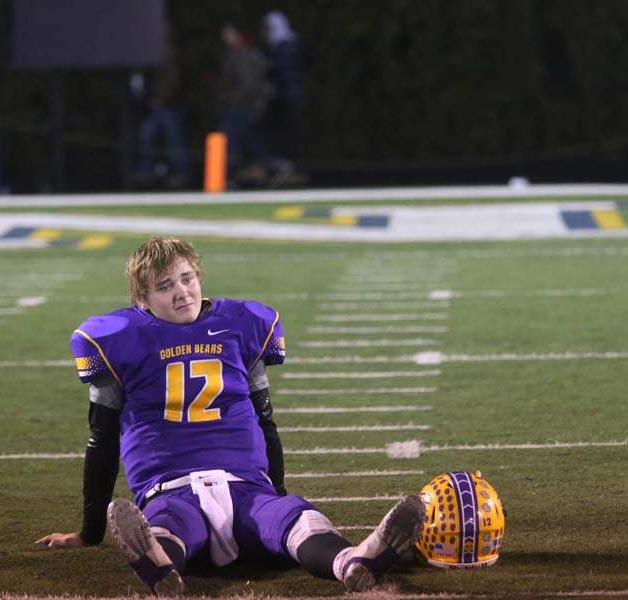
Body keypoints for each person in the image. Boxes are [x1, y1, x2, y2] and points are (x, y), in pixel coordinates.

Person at [35, 237, 425, 595]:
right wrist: (89, 532)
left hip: (246, 485)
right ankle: (159, 565)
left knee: (294, 518)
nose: (181, 291)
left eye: (186, 278)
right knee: (168, 525)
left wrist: (275, 492)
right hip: (170, 487)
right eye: (164, 286)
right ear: (142, 299)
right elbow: (102, 441)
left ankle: (351, 562)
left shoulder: (239, 326)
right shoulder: (121, 338)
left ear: (199, 277)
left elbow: (265, 423)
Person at [218, 25, 293, 188]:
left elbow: (247, 84)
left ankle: (229, 176)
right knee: (247, 139)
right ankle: (275, 166)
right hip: (244, 105)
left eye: (229, 34)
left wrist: (231, 98)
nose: (226, 38)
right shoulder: (243, 53)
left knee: (232, 140)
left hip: (240, 106)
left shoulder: (240, 54)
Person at [133, 25, 191, 189]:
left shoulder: (169, 53)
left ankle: (182, 174)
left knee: (174, 140)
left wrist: (162, 97)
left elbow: (173, 79)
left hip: (170, 105)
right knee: (147, 134)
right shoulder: (153, 54)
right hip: (158, 105)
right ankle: (147, 171)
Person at [262, 10, 305, 165]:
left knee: (288, 130)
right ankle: (283, 162)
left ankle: (290, 163)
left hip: (287, 94)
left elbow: (282, 71)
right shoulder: (279, 45)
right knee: (279, 130)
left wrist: (269, 70)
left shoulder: (286, 46)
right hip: (283, 94)